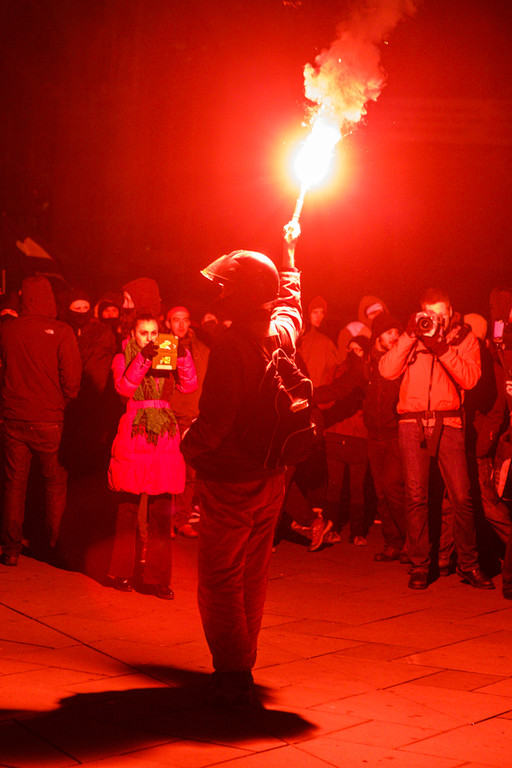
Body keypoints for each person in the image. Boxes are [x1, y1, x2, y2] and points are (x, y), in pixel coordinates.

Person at [181, 222, 302, 705]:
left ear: (244, 294)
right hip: (271, 475)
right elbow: (291, 304)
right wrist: (290, 257)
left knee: (221, 580)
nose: (220, 294)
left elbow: (215, 422)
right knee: (253, 574)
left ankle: (232, 673)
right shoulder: (280, 332)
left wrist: (187, 447)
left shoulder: (233, 346)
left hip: (231, 479)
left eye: (226, 287)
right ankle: (243, 662)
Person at [379, 288, 494, 590]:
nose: (436, 319)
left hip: (449, 421)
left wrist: (441, 347)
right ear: (422, 312)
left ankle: (469, 564)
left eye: (441, 314)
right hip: (412, 421)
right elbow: (386, 370)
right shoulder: (413, 337)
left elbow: (470, 379)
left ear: (450, 311)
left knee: (462, 497)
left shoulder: (464, 339)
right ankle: (420, 565)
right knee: (416, 496)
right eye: (430, 314)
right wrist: (409, 336)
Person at [108, 311, 197, 599]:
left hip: (164, 435)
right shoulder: (122, 357)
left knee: (161, 509)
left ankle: (158, 578)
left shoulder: (166, 356)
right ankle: (122, 572)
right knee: (128, 507)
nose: (150, 338)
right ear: (132, 334)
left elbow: (189, 385)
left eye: (154, 333)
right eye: (144, 333)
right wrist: (143, 358)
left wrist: (183, 358)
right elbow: (124, 387)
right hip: (135, 431)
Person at [0, 277, 82, 565]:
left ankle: (10, 549)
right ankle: (54, 548)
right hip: (50, 418)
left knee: (14, 484)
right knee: (55, 485)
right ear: (49, 298)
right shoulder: (62, 331)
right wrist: (62, 402)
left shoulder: (7, 330)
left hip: (13, 417)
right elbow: (72, 382)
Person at [314, 335, 370, 543]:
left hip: (359, 435)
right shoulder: (338, 370)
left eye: (358, 350)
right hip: (336, 434)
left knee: (357, 487)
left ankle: (357, 531)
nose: (353, 354)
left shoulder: (367, 374)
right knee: (334, 485)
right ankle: (331, 528)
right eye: (350, 349)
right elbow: (328, 394)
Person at [363, 313, 407, 561]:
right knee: (381, 492)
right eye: (389, 332)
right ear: (378, 335)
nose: (394, 336)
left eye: (397, 333)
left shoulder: (400, 362)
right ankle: (393, 543)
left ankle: (411, 541)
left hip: (394, 435)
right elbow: (345, 385)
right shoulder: (367, 363)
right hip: (374, 436)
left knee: (393, 488)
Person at [166, 304, 210, 537]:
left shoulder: (201, 348)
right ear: (168, 323)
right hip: (169, 415)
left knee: (189, 474)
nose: (181, 324)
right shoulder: (164, 346)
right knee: (167, 471)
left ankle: (181, 519)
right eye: (176, 319)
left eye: (185, 319)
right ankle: (165, 521)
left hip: (193, 415)